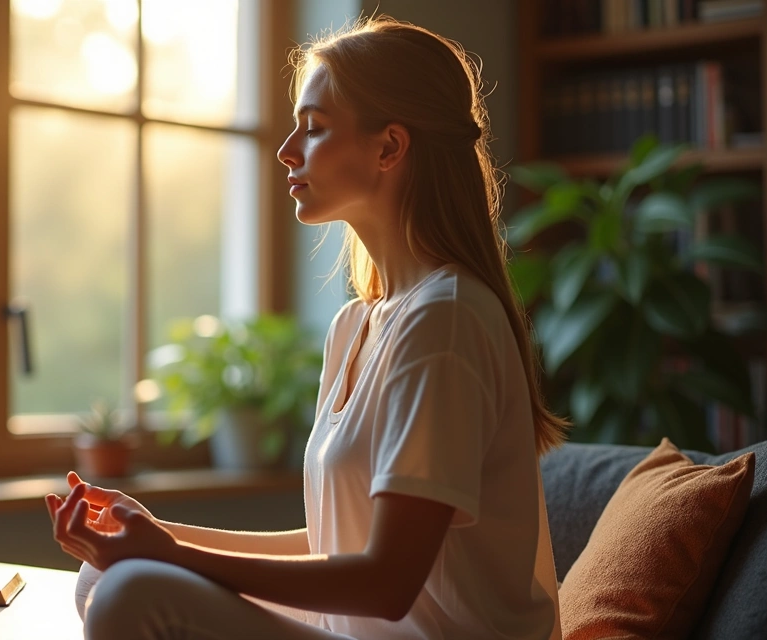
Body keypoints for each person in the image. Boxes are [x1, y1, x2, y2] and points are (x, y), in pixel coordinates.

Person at [44, 15, 568, 640]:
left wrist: (169, 556)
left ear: (388, 148)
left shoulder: (445, 320)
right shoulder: (356, 324)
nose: (286, 150)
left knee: (131, 589)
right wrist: (156, 533)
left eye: (314, 129)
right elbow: (331, 543)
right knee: (102, 577)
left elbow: (386, 583)